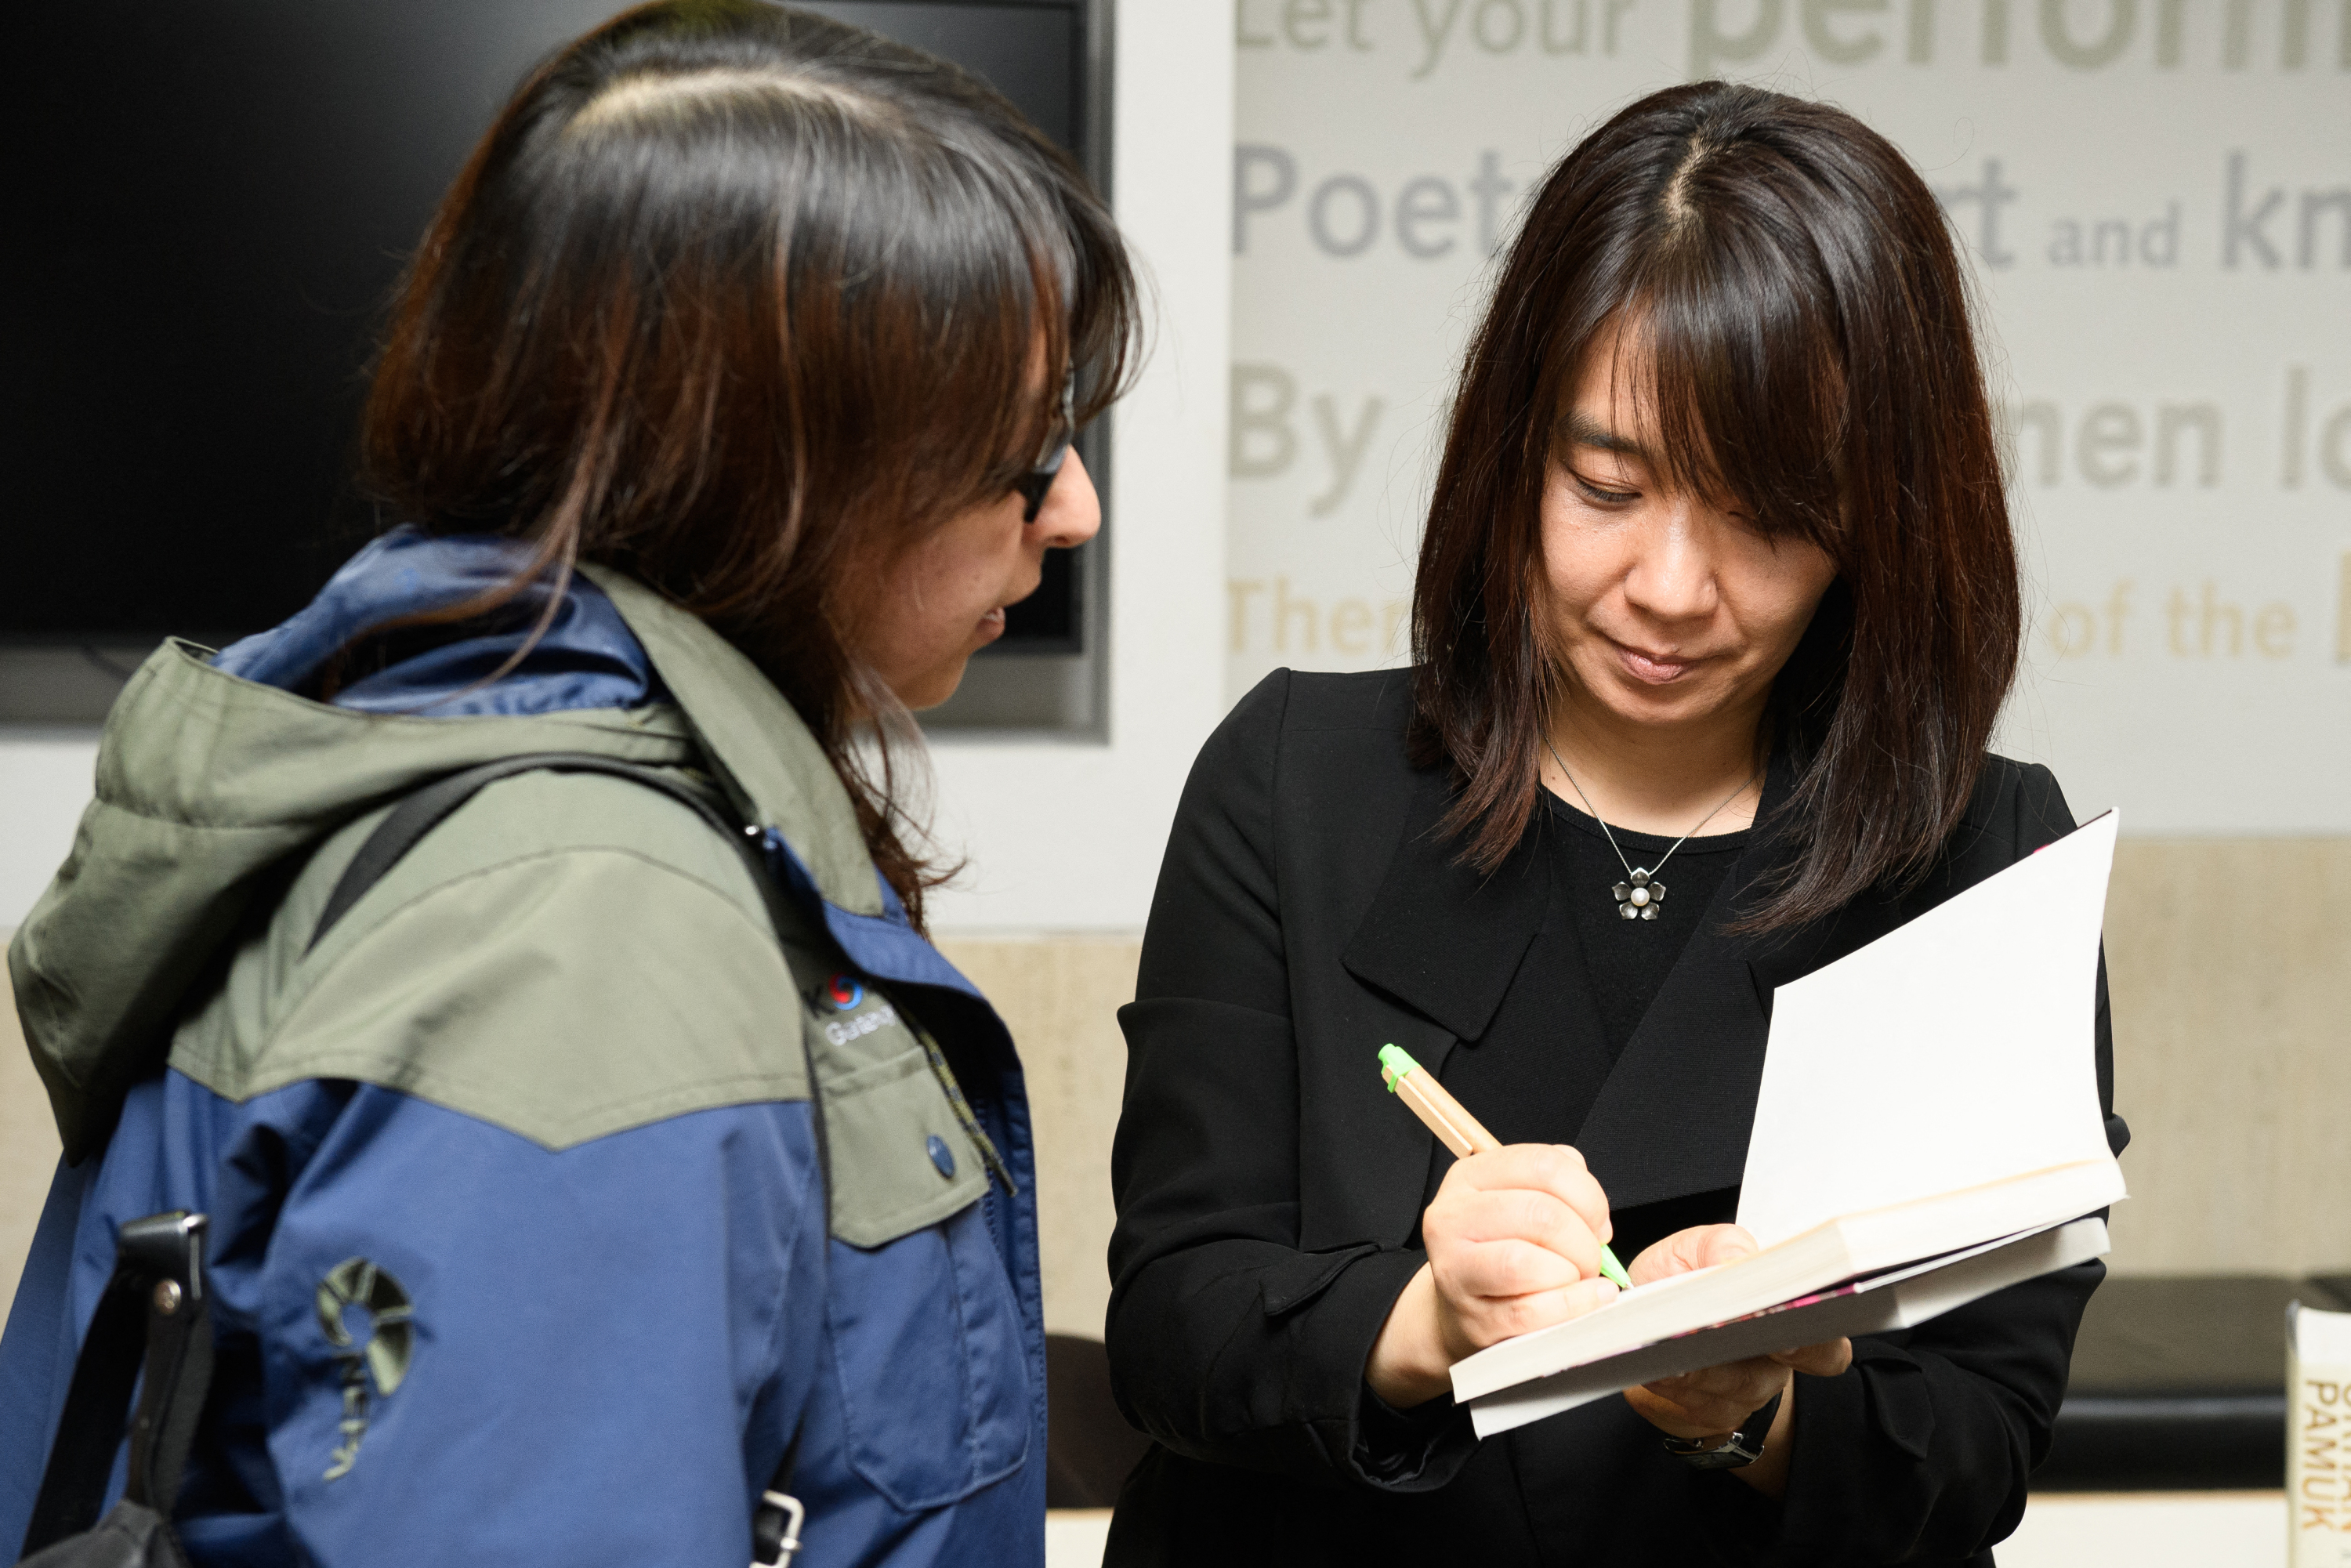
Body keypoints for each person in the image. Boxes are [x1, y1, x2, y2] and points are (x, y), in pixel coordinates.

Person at [0, 4, 1136, 1564]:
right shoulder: (577, 927)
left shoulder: (462, 761)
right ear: (773, 462)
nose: (1071, 508)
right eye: (1022, 447)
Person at [1103, 81, 2127, 1566]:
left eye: (1767, 518)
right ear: (1511, 448)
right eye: (1607, 484)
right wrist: (1422, 1320)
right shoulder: (1296, 778)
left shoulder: (1984, 858)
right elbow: (1173, 1323)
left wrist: (1748, 1415)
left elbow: (1976, 1449)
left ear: (1885, 521)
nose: (1667, 584)